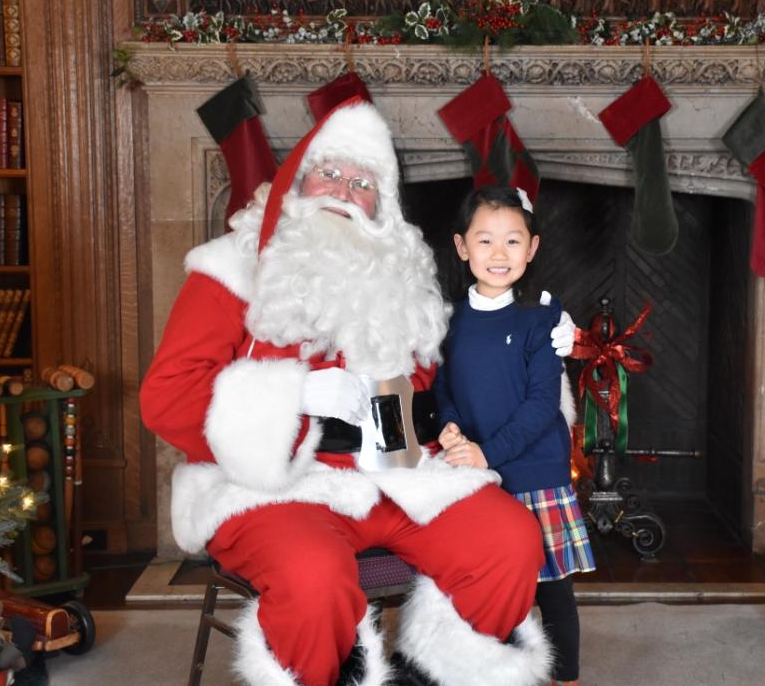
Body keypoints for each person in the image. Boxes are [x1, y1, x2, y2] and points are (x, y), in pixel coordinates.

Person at [139, 100, 567, 686]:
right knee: (314, 573)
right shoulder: (227, 272)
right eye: (330, 173)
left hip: (388, 474)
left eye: (362, 182)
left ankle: (439, 672)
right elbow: (166, 396)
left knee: (508, 537)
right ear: (296, 182)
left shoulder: (392, 278)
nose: (343, 191)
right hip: (268, 489)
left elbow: (422, 383)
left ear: (379, 205)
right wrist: (295, 395)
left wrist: (540, 334)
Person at [435, 186, 595, 686]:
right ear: (462, 248)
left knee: (552, 593)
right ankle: (498, 673)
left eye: (511, 241)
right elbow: (444, 387)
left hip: (533, 473)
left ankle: (564, 677)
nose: (498, 254)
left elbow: (541, 405)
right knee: (493, 589)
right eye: (485, 241)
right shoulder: (449, 320)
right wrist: (451, 430)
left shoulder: (540, 319)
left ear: (532, 248)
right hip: (474, 475)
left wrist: (488, 452)